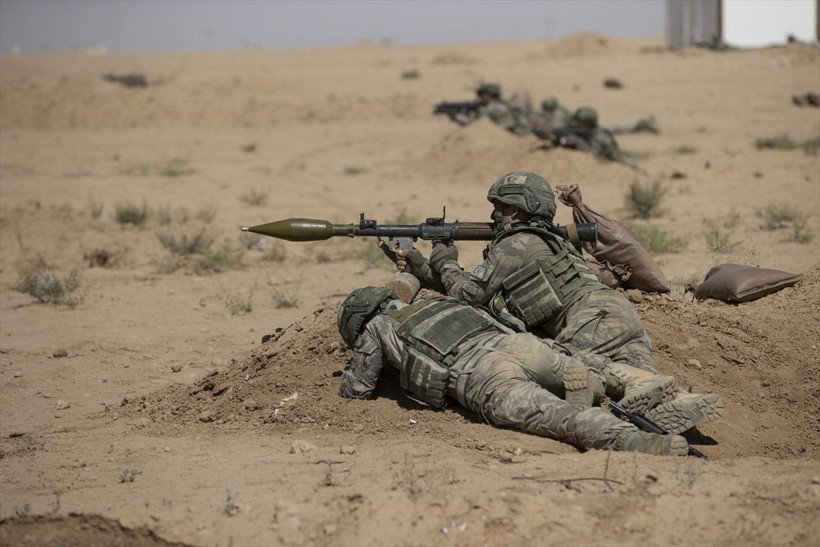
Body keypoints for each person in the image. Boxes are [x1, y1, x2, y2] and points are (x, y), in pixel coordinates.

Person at [396, 171, 724, 434]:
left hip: (589, 320)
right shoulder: (554, 242)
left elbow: (471, 296)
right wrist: (424, 267)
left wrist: (444, 262)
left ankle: (641, 401)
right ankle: (682, 401)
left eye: (498, 208)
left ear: (515, 209)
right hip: (618, 313)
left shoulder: (516, 243)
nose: (493, 216)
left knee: (577, 372)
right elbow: (487, 286)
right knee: (639, 390)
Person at [337, 286, 693, 456]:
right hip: (522, 347)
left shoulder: (379, 326)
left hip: (480, 373)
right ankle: (615, 383)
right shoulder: (438, 300)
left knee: (562, 419)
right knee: (578, 366)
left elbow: (358, 389)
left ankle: (641, 443)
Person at [552, 107, 640, 170]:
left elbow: (593, 155)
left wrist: (576, 141)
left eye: (579, 123)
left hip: (617, 163)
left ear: (587, 124)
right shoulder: (581, 132)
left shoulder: (600, 136)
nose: (574, 124)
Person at [450, 83, 532, 135]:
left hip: (517, 135)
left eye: (482, 95)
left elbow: (477, 125)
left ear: (489, 95)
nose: (479, 98)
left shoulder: (495, 108)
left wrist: (458, 118)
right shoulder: (499, 104)